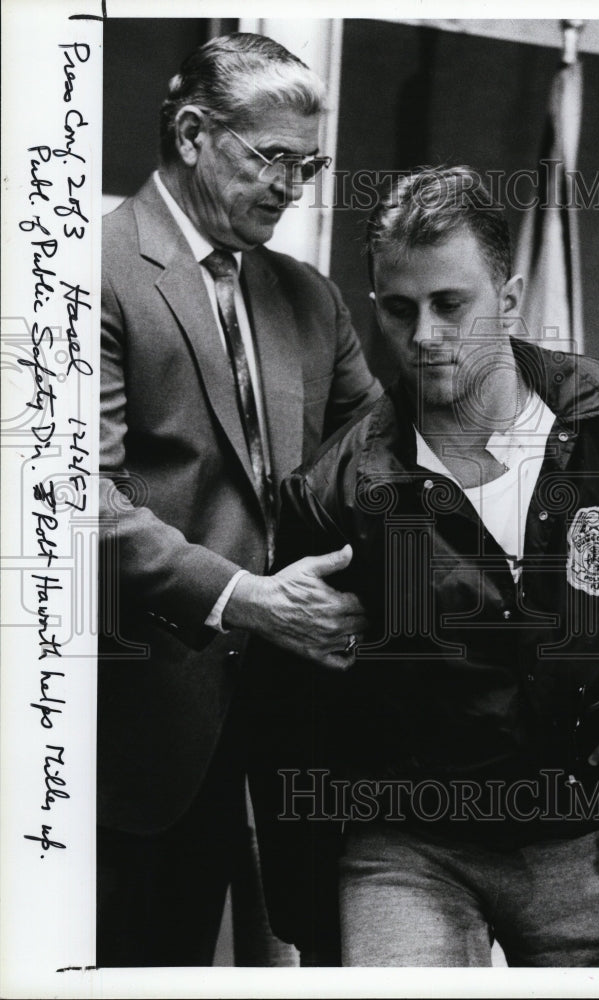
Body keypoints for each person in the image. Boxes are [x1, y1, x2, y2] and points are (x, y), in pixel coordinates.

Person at [264, 166, 599, 966]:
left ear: (509, 297)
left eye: (450, 304)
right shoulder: (335, 488)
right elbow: (295, 716)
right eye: (399, 310)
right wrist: (311, 920)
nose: (425, 335)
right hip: (406, 847)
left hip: (584, 836)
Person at [98, 32, 380, 967]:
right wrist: (244, 597)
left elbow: (383, 465)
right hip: (151, 710)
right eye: (272, 160)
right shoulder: (88, 269)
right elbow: (71, 502)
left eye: (310, 166)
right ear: (190, 133)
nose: (293, 189)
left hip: (301, 713)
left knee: (315, 954)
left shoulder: (311, 298)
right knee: (152, 961)